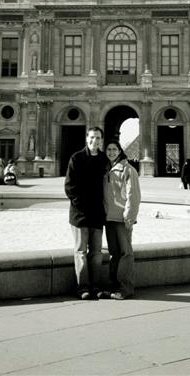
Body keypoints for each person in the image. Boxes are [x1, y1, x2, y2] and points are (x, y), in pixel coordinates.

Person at [64, 126, 110, 300]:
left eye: (97, 138)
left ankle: (95, 286)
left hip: (97, 213)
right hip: (80, 214)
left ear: (101, 140)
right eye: (92, 137)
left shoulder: (105, 159)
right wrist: (80, 205)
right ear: (86, 138)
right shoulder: (76, 158)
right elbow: (69, 186)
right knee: (81, 251)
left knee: (97, 252)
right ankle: (82, 287)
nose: (94, 141)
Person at [103, 140, 141, 300]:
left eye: (114, 149)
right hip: (109, 218)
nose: (111, 152)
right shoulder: (106, 169)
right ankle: (113, 286)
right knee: (114, 253)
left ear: (120, 151)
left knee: (125, 253)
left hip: (121, 218)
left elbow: (134, 195)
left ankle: (126, 288)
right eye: (108, 149)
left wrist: (129, 217)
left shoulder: (128, 169)